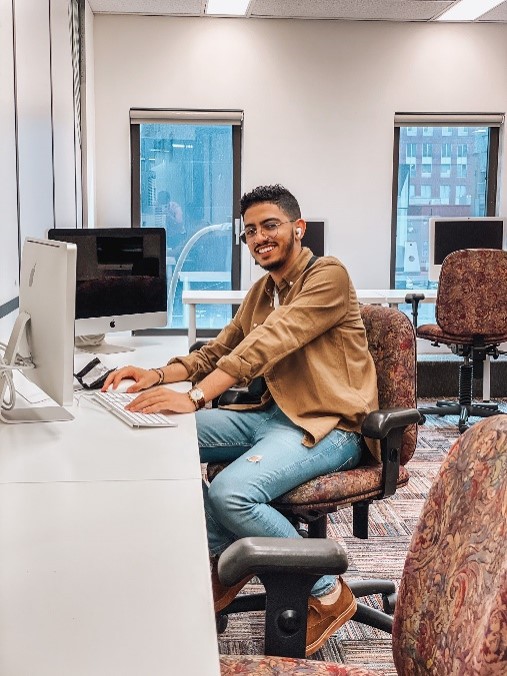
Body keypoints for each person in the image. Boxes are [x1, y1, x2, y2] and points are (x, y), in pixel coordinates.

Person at [103, 184, 379, 656]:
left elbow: (269, 342)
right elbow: (217, 350)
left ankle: (326, 592)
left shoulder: (328, 275)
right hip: (271, 415)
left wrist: (195, 397)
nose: (259, 238)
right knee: (156, 435)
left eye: (270, 225)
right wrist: (156, 375)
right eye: (250, 231)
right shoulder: (262, 292)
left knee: (231, 492)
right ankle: (223, 559)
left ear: (298, 228)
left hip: (329, 426)